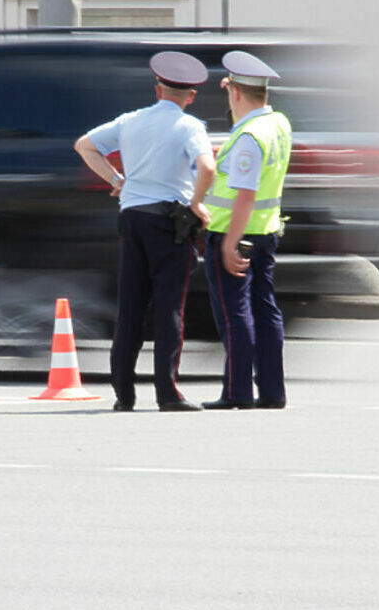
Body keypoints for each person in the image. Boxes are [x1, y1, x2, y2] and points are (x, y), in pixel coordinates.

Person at [74, 51, 217, 412]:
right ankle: (167, 393)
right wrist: (197, 203)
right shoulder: (190, 126)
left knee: (131, 307)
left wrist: (117, 180)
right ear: (191, 95)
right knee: (169, 308)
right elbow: (208, 167)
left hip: (132, 218)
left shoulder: (130, 121)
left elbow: (84, 146)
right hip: (170, 223)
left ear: (157, 89)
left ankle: (124, 394)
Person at [201, 51, 292, 411]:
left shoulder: (248, 138)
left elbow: (245, 195)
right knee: (265, 310)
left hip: (235, 234)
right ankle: (272, 391)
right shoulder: (278, 124)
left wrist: (229, 244)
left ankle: (237, 391)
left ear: (234, 93)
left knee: (234, 314)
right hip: (266, 233)